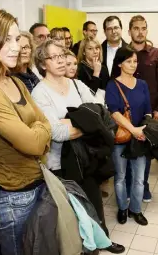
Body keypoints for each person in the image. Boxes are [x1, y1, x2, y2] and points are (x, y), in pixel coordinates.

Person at [31, 40, 125, 253]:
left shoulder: (76, 84)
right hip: (61, 163)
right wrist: (87, 121)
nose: (61, 60)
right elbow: (58, 133)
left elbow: (101, 113)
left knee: (94, 203)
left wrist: (72, 120)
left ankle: (104, 240)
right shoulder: (40, 93)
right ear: (43, 64)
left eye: (62, 55)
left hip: (88, 156)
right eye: (54, 57)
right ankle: (85, 248)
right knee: (74, 210)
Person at [0, 9, 51, 255]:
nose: (16, 46)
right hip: (10, 198)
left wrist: (38, 131)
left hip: (37, 183)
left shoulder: (16, 81)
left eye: (16, 38)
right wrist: (39, 132)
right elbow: (32, 143)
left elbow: (46, 124)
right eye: (6, 39)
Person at [122, 15, 158, 202]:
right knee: (126, 149)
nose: (140, 32)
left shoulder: (156, 54)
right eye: (136, 28)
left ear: (147, 31)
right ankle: (127, 186)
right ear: (130, 31)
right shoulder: (123, 53)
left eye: (143, 28)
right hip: (126, 112)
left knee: (145, 152)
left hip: (149, 112)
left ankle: (144, 185)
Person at [106, 47, 150, 225]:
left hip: (140, 137)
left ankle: (136, 210)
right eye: (128, 61)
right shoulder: (112, 85)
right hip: (121, 137)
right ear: (119, 63)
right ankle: (123, 208)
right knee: (121, 177)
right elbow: (114, 112)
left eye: (135, 61)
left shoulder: (142, 84)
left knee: (139, 178)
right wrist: (133, 129)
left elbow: (148, 110)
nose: (133, 65)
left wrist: (144, 130)